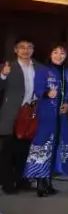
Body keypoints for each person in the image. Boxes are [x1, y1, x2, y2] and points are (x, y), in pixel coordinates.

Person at [24, 43, 68, 196]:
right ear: (50, 54)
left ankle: (49, 182)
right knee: (43, 147)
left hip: (63, 117)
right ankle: (40, 184)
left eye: (62, 53)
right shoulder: (43, 70)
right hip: (46, 115)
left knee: (57, 148)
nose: (59, 56)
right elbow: (38, 90)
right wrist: (47, 93)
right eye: (55, 52)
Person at [0, 38, 41, 194]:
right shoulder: (7, 67)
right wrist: (3, 75)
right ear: (15, 50)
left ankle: (22, 181)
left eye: (29, 47)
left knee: (24, 151)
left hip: (31, 115)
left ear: (33, 50)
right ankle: (7, 184)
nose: (26, 50)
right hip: (12, 115)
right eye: (22, 47)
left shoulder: (39, 67)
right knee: (7, 152)